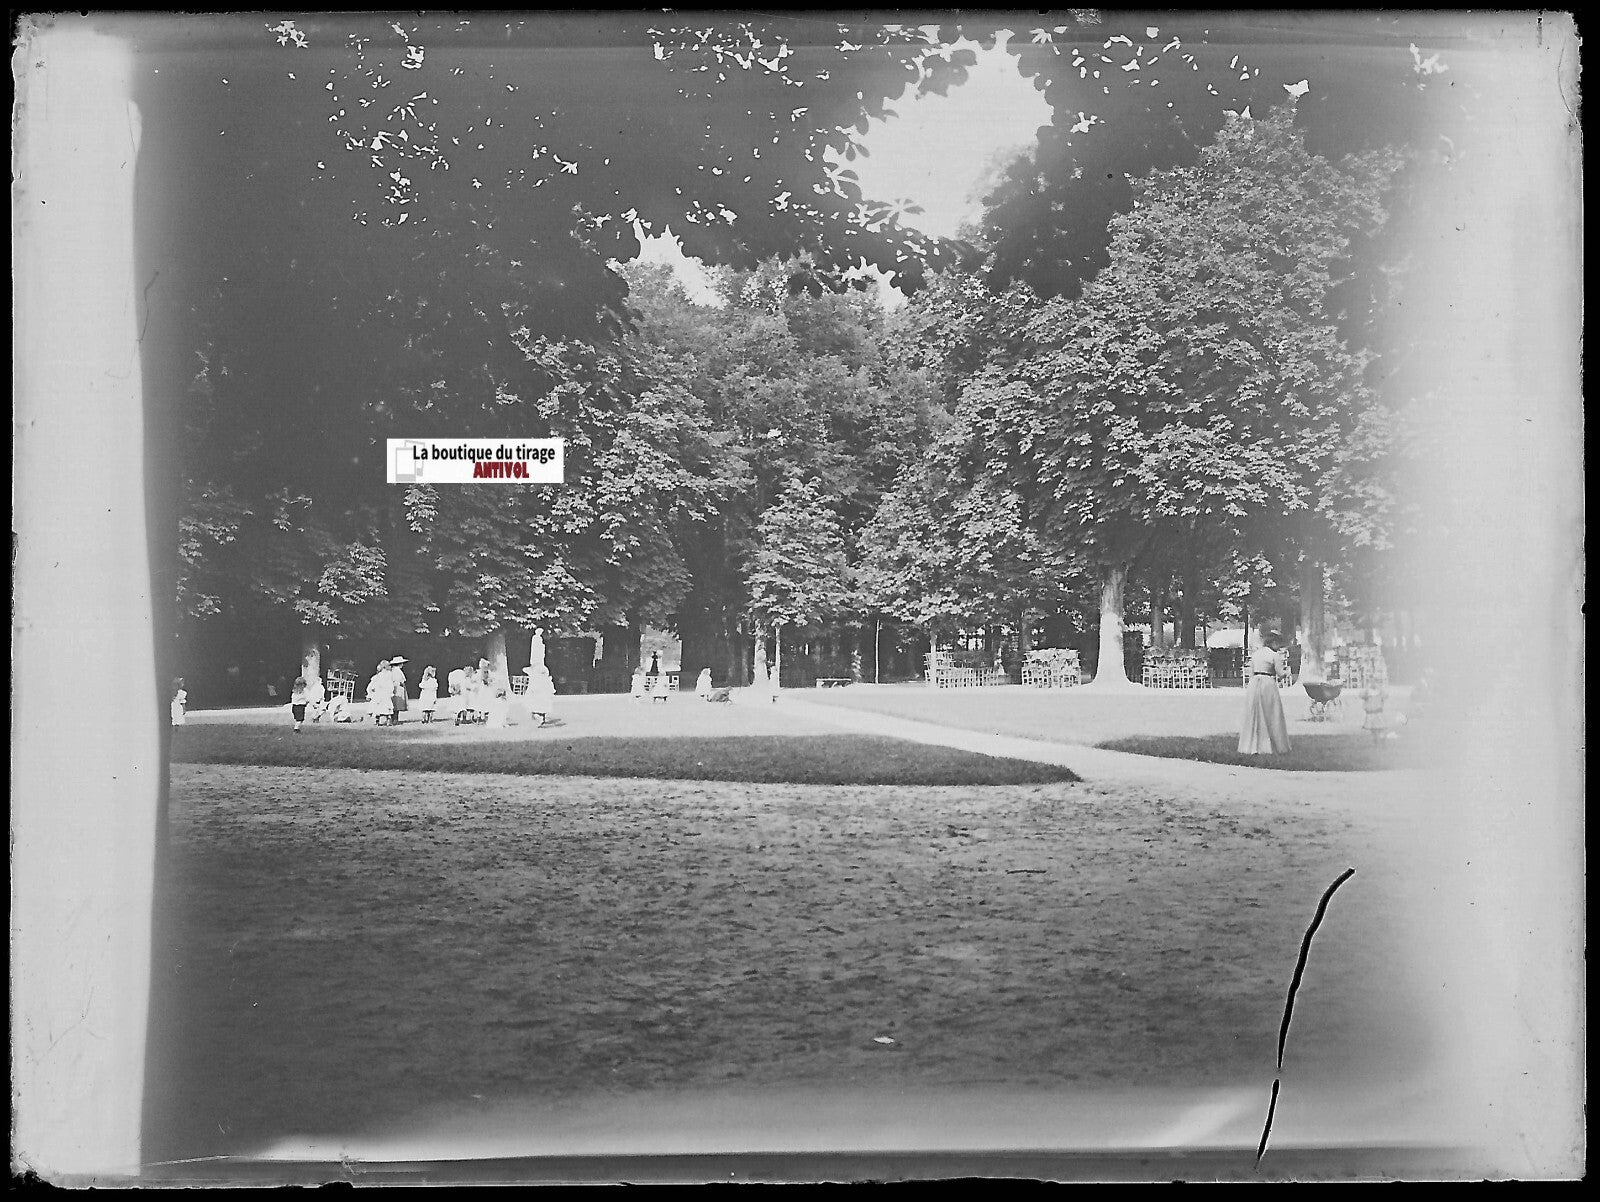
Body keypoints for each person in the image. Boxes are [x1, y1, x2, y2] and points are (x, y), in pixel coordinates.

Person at [1238, 631, 1292, 755]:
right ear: (1273, 642)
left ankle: (1251, 745)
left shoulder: (1256, 654)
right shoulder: (1274, 655)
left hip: (1254, 683)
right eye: (1278, 644)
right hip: (1268, 683)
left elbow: (1251, 672)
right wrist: (1287, 672)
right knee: (1271, 713)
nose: (1279, 647)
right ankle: (1274, 745)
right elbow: (1280, 673)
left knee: (1254, 713)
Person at [368, 661, 395, 725]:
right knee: (384, 707)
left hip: (381, 693)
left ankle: (381, 720)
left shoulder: (379, 676)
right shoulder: (388, 674)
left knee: (380, 707)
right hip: (384, 693)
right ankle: (384, 721)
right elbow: (390, 684)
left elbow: (373, 686)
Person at [389, 657, 409, 724]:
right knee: (397, 704)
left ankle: (394, 719)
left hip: (395, 687)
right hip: (397, 688)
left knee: (395, 704)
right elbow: (400, 680)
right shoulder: (397, 671)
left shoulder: (393, 670)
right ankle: (395, 719)